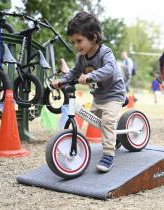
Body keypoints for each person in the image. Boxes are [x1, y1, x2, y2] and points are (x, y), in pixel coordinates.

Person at [53, 11, 126, 172]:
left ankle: (108, 155)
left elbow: (109, 69)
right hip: (99, 97)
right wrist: (62, 81)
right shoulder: (81, 57)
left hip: (114, 95)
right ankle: (115, 138)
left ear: (93, 37)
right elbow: (73, 72)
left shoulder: (105, 53)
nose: (77, 46)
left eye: (79, 41)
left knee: (107, 122)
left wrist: (89, 76)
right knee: (96, 122)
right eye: (73, 42)